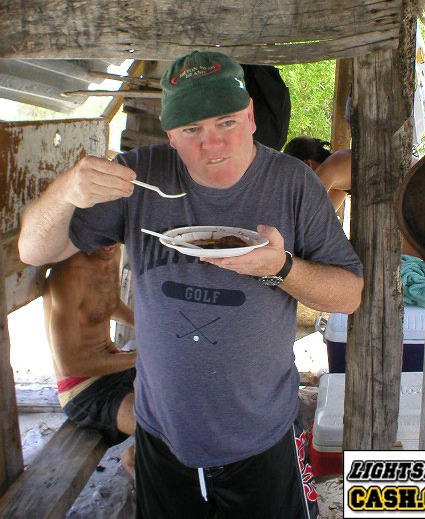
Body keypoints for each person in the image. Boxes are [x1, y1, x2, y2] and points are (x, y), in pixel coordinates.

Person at [19, 50, 363, 519]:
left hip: (263, 441)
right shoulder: (139, 177)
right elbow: (33, 252)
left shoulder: (293, 185)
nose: (213, 145)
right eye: (191, 130)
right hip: (163, 443)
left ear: (251, 116)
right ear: (169, 132)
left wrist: (281, 268)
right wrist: (64, 193)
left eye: (226, 122)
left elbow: (349, 294)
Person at [42, 243, 136, 476]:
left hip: (114, 364)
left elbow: (104, 304)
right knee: (162, 425)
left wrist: (146, 324)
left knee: (184, 397)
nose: (108, 243)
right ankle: (133, 461)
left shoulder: (112, 254)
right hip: (84, 390)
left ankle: (140, 454)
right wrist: (138, 358)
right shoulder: (69, 273)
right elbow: (69, 365)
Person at [284, 136, 420, 255]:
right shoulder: (338, 176)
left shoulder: (329, 168)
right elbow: (325, 216)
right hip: (409, 182)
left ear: (308, 164)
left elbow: (302, 213)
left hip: (413, 180)